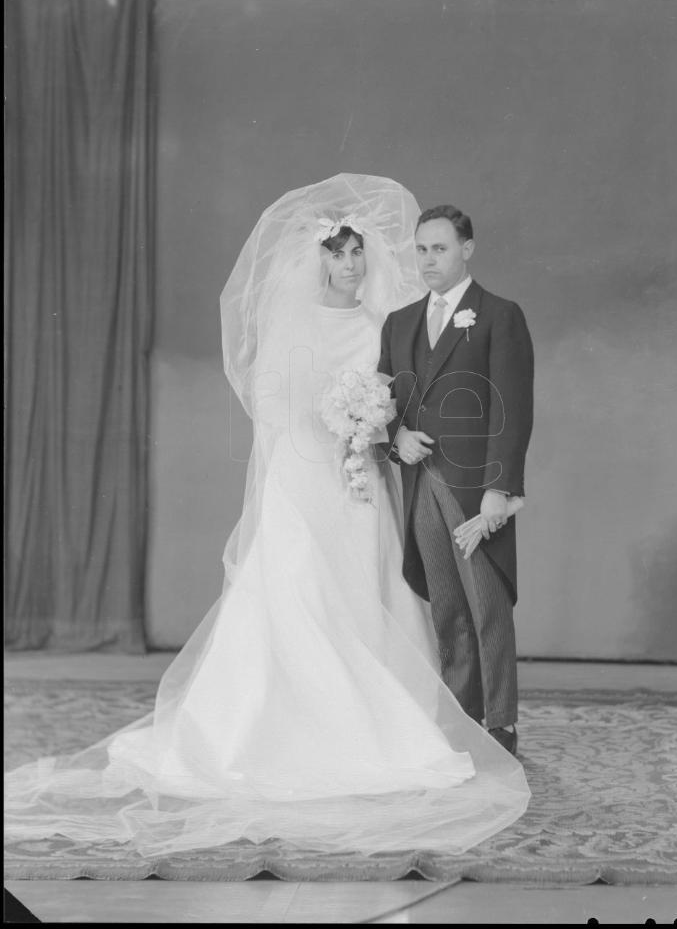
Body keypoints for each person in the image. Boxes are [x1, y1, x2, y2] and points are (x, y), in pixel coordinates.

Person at [5, 175, 529, 859]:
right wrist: (342, 424)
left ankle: (444, 720)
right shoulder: (297, 322)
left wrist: (374, 426)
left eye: (357, 255)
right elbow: (278, 405)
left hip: (362, 482)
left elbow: (403, 397)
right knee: (296, 593)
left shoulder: (386, 323)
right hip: (307, 476)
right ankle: (284, 728)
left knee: (381, 594)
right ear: (316, 261)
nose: (350, 266)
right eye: (337, 255)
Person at [378, 204, 534, 756]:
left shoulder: (499, 315)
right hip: (422, 484)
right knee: (446, 606)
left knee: (487, 606)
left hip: (476, 490)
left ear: (467, 249)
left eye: (439, 248)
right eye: (420, 249)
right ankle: (463, 718)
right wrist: (396, 436)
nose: (428, 260)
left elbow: (512, 410)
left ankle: (500, 725)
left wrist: (501, 490)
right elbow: (384, 402)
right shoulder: (398, 323)